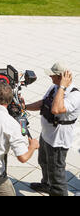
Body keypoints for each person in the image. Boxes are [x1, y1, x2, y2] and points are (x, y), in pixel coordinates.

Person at [26, 62, 80, 196]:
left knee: (57, 174)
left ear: (61, 77)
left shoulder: (74, 95)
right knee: (43, 162)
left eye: (53, 75)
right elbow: (43, 103)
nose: (50, 76)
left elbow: (56, 109)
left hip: (58, 142)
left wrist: (62, 86)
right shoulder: (54, 87)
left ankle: (56, 190)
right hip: (46, 136)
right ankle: (46, 184)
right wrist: (24, 106)